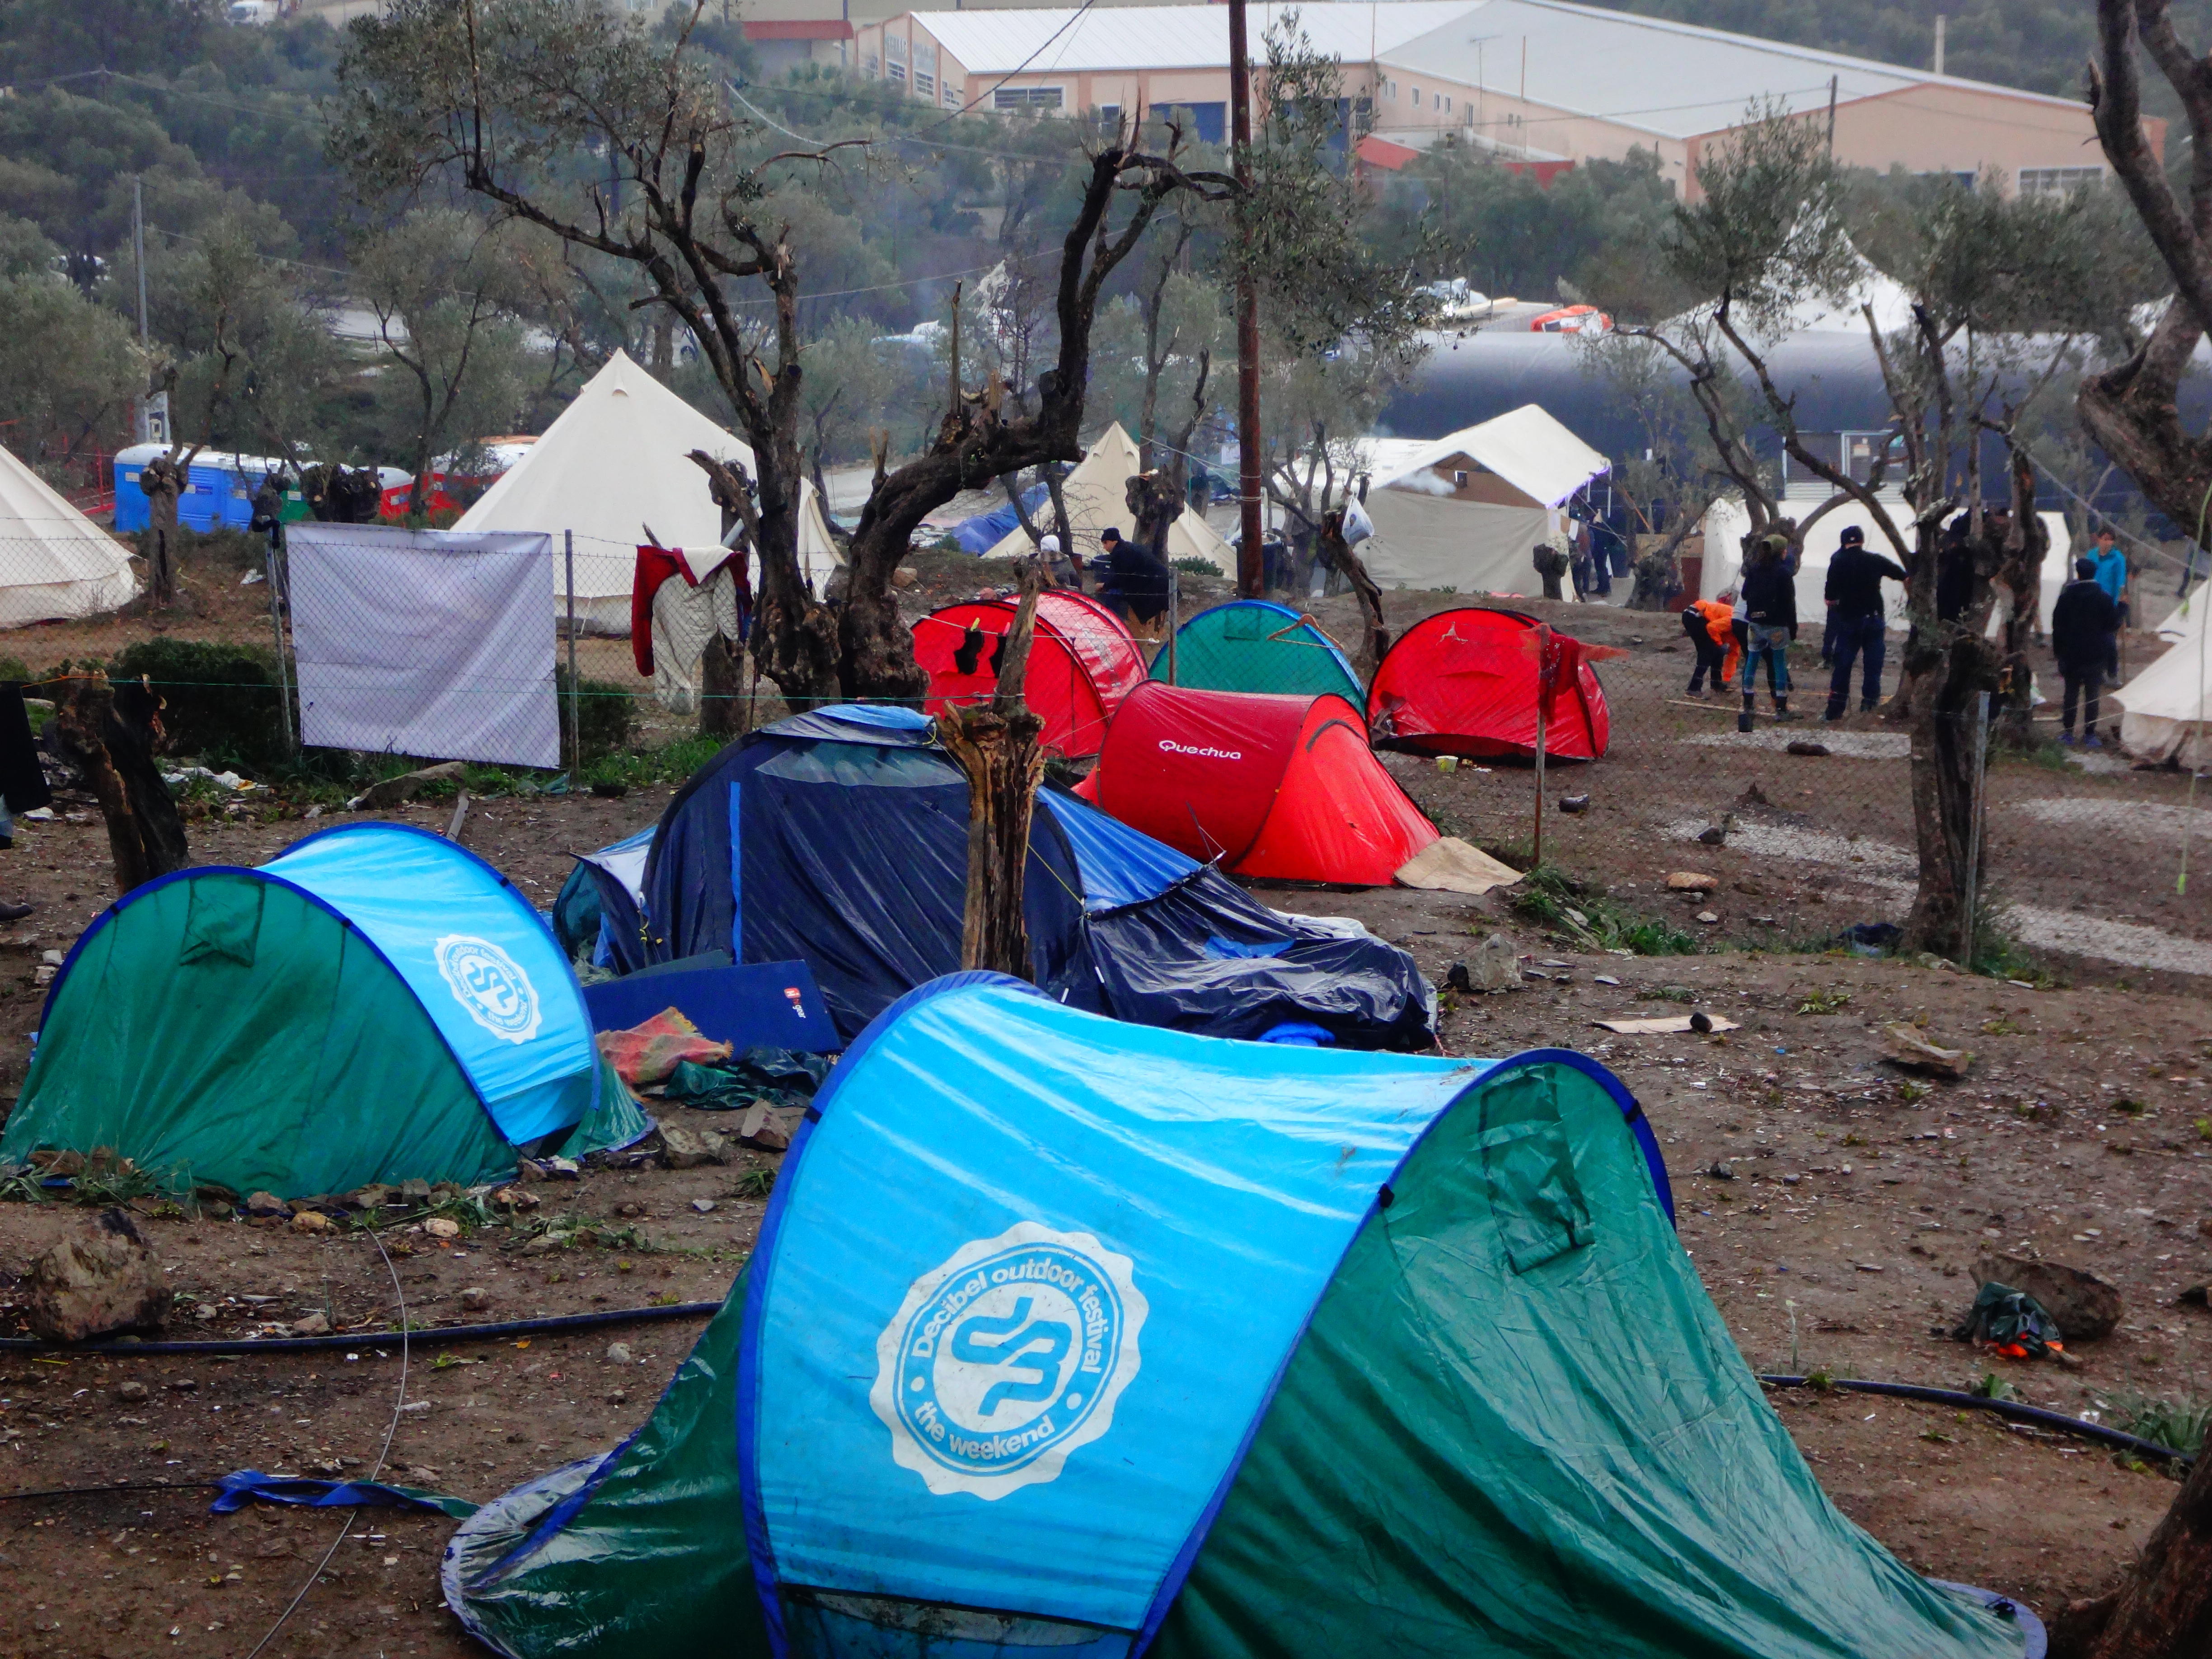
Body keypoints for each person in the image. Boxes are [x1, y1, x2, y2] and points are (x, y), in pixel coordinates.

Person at [1823, 524, 1910, 720]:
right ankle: (1869, 708)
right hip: (1873, 619)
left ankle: (1835, 711)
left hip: (1849, 620)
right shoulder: (1875, 560)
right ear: (1862, 541)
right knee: (1873, 666)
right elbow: (1903, 575)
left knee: (1843, 666)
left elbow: (1829, 597)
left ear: (1843, 542)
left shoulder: (1838, 561)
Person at [2052, 554, 2121, 747]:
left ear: (2078, 573)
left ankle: (2068, 733)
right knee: (2092, 695)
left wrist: (2059, 652)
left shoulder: (2067, 597)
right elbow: (2113, 624)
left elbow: (2057, 625)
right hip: (2095, 654)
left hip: (2071, 653)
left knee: (2071, 694)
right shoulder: (2104, 599)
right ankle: (2090, 734)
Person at [1738, 534, 1798, 731]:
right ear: (1782, 552)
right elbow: (1789, 602)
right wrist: (1793, 626)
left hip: (1755, 623)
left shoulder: (1755, 570)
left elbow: (1745, 594)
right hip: (1777, 625)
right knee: (1779, 662)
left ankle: (1747, 702)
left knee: (1752, 660)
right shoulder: (1783, 573)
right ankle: (1781, 706)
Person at [1097, 525, 1171, 634]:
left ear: (1113, 541)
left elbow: (1122, 577)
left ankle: (1144, 635)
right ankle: (1154, 634)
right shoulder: (1129, 548)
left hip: (1154, 586)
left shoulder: (1120, 554)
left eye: (1105, 543)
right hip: (1163, 583)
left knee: (1142, 613)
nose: (1104, 547)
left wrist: (1105, 586)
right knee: (1156, 613)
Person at [2090, 526, 2128, 689]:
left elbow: (2120, 581)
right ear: (2098, 539)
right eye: (2104, 538)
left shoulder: (2118, 558)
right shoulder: (2092, 555)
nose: (2106, 542)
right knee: (2093, 641)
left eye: (2109, 539)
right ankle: (2096, 673)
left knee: (2109, 641)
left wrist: (2119, 600)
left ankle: (2112, 674)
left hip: (2110, 605)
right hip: (2092, 603)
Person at [1682, 590, 1738, 696]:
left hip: (1701, 617)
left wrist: (1727, 678)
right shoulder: (1733, 621)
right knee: (1707, 651)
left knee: (1717, 651)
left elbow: (1733, 656)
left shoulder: (1739, 635)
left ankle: (1717, 684)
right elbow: (1712, 627)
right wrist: (1720, 644)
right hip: (1695, 614)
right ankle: (1693, 689)